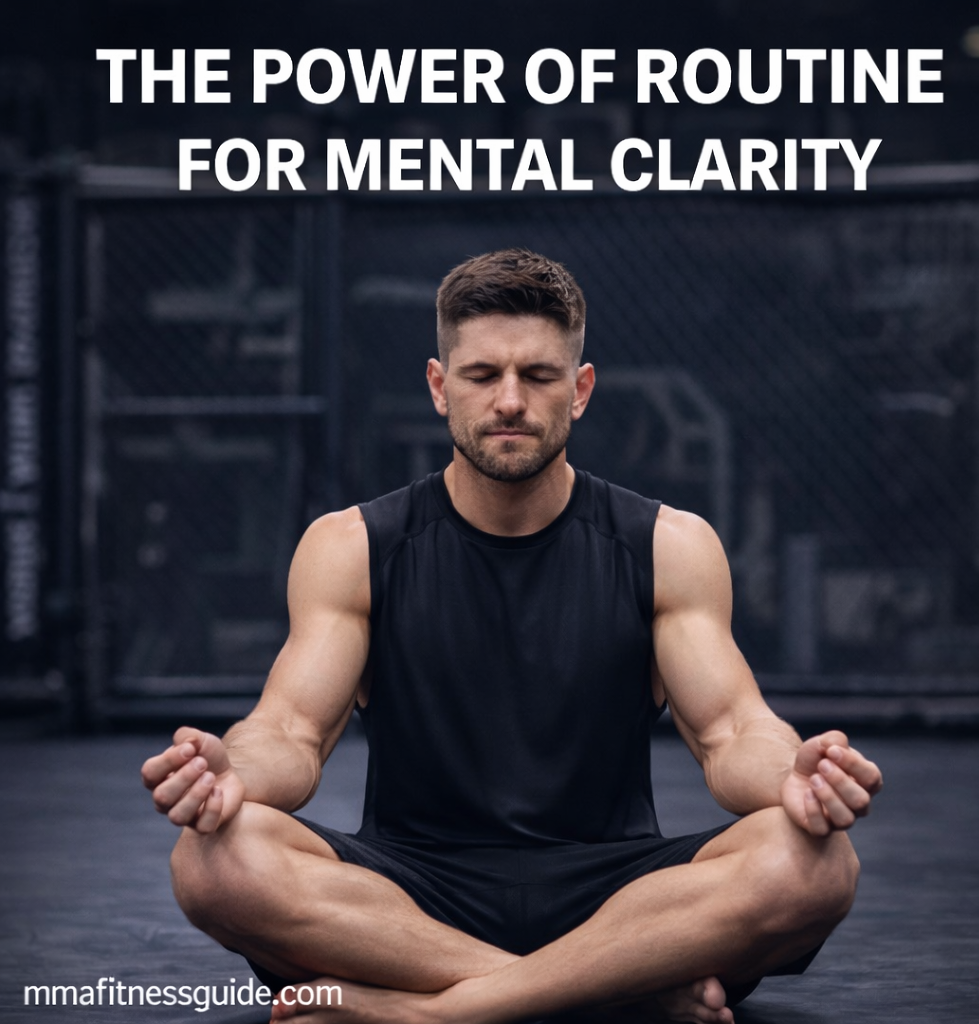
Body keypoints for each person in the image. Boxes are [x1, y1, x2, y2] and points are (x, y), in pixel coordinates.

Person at [142, 248, 882, 1024]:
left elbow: (731, 731)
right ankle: (613, 995)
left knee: (815, 865)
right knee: (214, 859)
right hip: (407, 896)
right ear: (438, 387)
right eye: (481, 375)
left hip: (618, 894)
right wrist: (231, 773)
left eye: (538, 375)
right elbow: (291, 731)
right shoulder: (350, 546)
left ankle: (436, 1013)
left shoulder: (669, 544)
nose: (509, 400)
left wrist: (795, 777)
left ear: (581, 390)